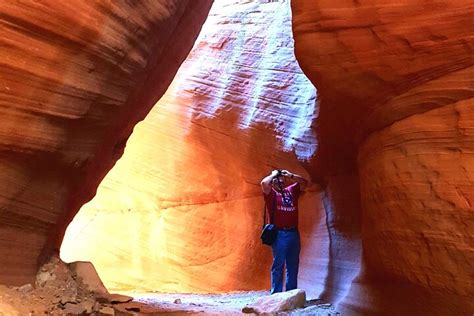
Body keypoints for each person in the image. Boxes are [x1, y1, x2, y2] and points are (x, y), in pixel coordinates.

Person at [260, 169, 308, 294]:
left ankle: (291, 294)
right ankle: (276, 294)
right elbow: (264, 184)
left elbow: (304, 183)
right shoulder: (272, 195)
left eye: (282, 180)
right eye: (277, 181)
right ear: (273, 183)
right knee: (278, 265)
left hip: (293, 233)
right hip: (280, 234)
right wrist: (273, 174)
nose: (280, 182)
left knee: (293, 264)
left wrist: (290, 175)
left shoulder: (291, 191)